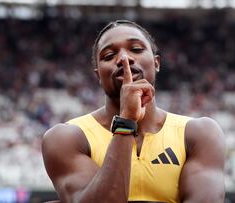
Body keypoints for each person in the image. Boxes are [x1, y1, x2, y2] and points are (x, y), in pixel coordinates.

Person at [42, 20, 225, 203]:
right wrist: (126, 122)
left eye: (136, 49)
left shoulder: (200, 133)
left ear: (156, 64)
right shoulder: (66, 137)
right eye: (109, 55)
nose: (124, 59)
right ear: (98, 75)